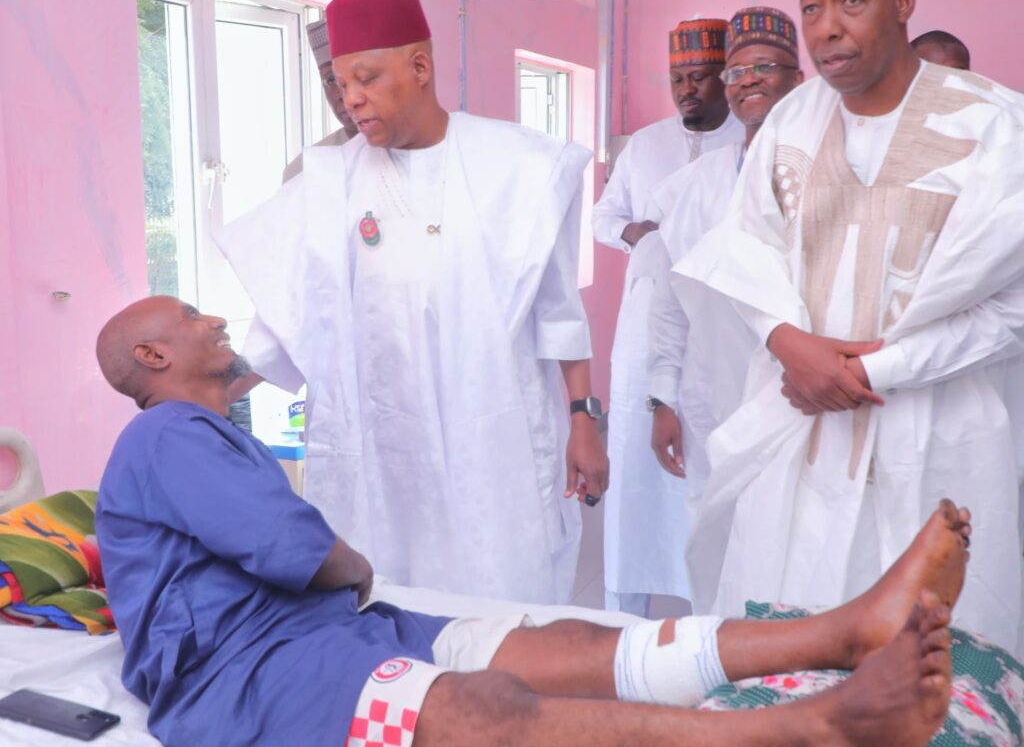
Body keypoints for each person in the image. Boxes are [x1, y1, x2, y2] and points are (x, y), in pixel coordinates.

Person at [95, 295, 971, 747]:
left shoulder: (201, 434)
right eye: (191, 315)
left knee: (566, 644)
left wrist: (354, 589)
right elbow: (293, 548)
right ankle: (814, 729)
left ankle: (842, 631)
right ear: (152, 354)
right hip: (247, 678)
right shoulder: (165, 432)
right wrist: (355, 566)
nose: (214, 318)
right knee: (487, 708)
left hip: (330, 633)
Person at [676, 0, 1024, 654]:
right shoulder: (790, 123)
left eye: (851, 2)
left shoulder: (994, 127)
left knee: (931, 665)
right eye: (812, 6)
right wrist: (785, 342)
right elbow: (745, 251)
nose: (827, 27)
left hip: (932, 432)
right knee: (787, 650)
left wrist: (868, 370)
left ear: (903, 1)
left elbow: (1012, 309)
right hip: (801, 434)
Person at [217, 0, 608, 605]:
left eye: (366, 79)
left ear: (420, 67)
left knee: (502, 605)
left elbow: (558, 312)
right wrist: (191, 399)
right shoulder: (327, 186)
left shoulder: (520, 165)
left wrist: (584, 421)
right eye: (341, 84)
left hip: (492, 440)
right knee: (389, 606)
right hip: (381, 458)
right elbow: (280, 329)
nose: (352, 99)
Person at [645, 8, 805, 610]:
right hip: (710, 394)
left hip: (799, 398)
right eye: (735, 71)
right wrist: (662, 397)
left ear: (798, 79)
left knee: (790, 545)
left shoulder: (830, 174)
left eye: (765, 66)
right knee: (714, 537)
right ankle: (719, 652)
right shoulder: (692, 186)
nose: (748, 80)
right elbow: (670, 301)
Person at [595, 19, 744, 616]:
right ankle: (626, 615)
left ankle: (710, 616)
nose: (687, 89)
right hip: (642, 330)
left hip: (715, 326)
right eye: (678, 78)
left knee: (708, 467)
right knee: (636, 470)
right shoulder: (645, 144)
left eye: (700, 77)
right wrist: (638, 233)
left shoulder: (748, 144)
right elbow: (604, 217)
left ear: (726, 78)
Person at [282, 18, 360, 182]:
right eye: (331, 80)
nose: (342, 94)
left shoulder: (410, 155)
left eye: (359, 77)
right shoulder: (302, 171)